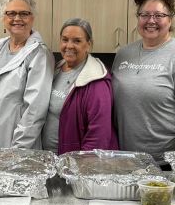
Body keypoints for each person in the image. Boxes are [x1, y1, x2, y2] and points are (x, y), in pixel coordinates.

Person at [112, 0, 175, 162]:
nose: (151, 21)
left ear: (170, 19)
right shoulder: (123, 54)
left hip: (164, 164)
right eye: (145, 14)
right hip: (123, 159)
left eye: (159, 15)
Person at [0, 0, 54, 149]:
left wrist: (18, 151)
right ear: (3, 18)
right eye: (11, 13)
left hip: (15, 146)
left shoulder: (39, 54)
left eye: (24, 14)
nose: (17, 18)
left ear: (32, 18)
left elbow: (34, 111)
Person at [42, 18, 118, 154]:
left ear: (88, 45)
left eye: (77, 41)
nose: (69, 46)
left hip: (73, 163)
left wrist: (81, 167)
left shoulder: (96, 82)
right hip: (49, 158)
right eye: (65, 40)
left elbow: (99, 137)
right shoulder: (55, 70)